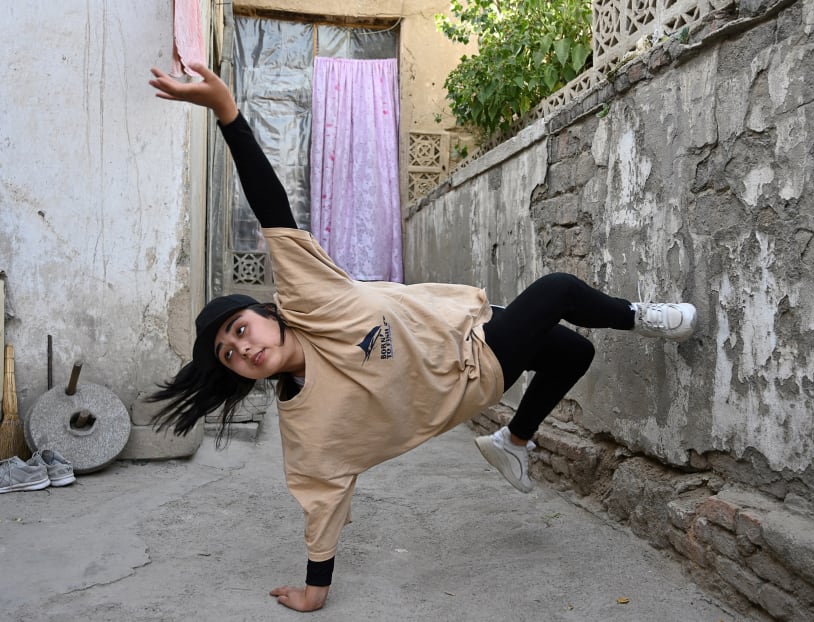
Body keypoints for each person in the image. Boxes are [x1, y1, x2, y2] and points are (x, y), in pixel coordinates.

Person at [148, 64, 697, 612]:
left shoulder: (311, 299)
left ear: (265, 312)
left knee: (575, 351)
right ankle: (645, 317)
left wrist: (228, 113)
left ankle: (514, 442)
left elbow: (271, 209)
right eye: (230, 354)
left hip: (475, 322)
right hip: (473, 372)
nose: (242, 348)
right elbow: (324, 500)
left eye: (239, 330)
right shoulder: (307, 427)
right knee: (558, 290)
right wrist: (316, 591)